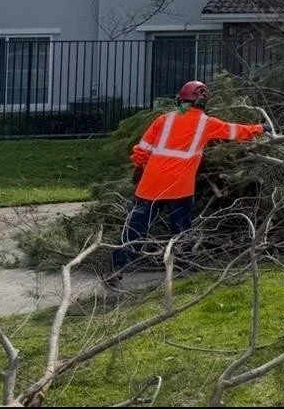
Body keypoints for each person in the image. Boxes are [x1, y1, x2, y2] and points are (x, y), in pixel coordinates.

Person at [108, 80, 265, 282]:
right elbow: (235, 131)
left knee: (135, 227)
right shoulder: (206, 123)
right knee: (181, 230)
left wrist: (140, 167)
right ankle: (184, 267)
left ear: (180, 100)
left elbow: (141, 150)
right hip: (179, 186)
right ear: (203, 102)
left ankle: (117, 266)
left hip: (151, 184)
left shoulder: (163, 120)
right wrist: (261, 128)